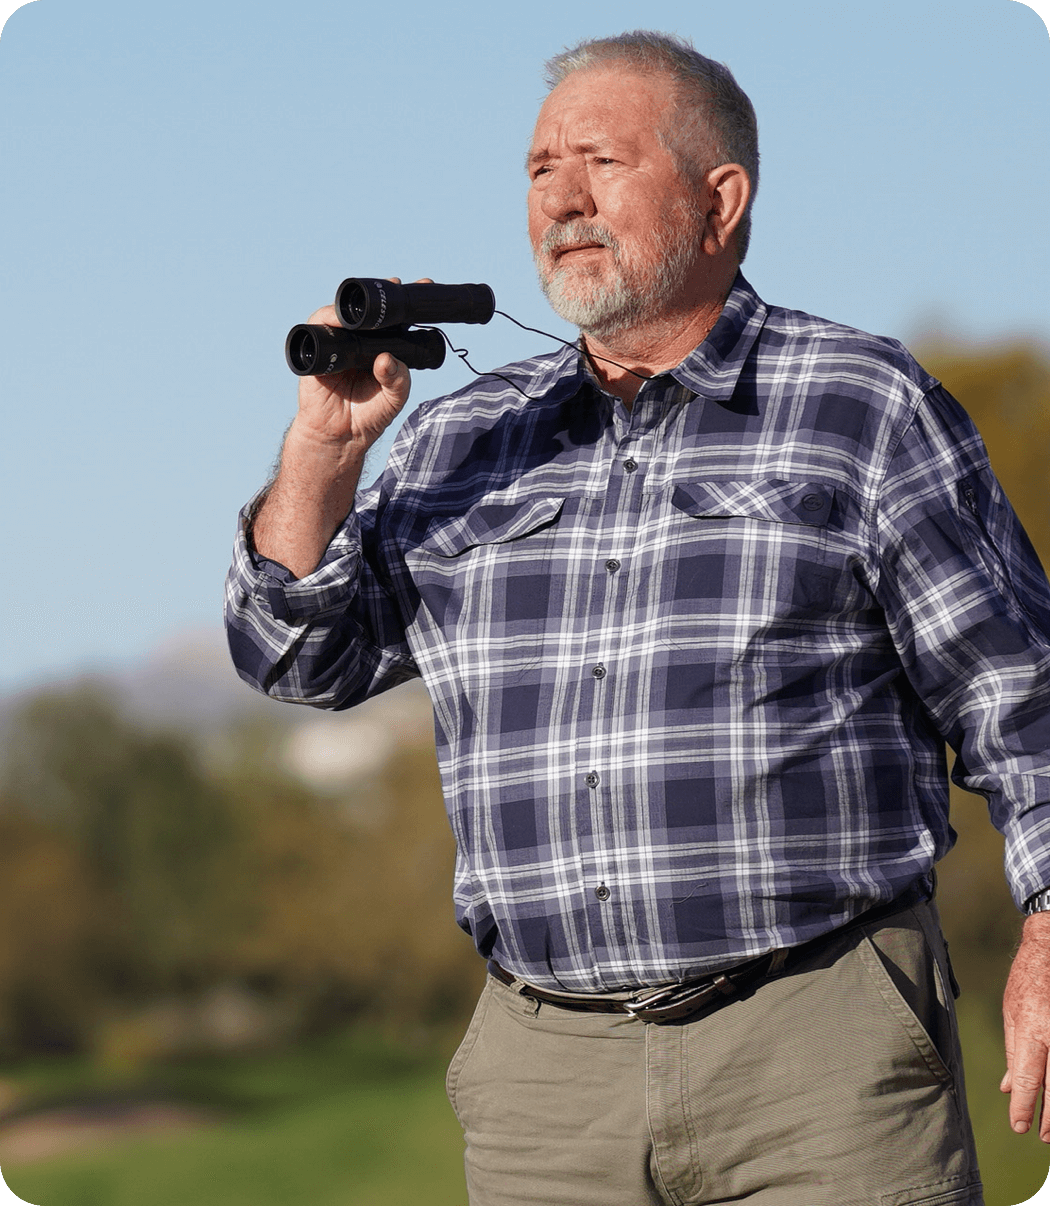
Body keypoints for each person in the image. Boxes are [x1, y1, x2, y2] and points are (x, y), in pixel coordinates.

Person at [225, 30, 1050, 1206]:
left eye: (600, 160)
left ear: (722, 201)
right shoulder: (464, 437)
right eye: (537, 167)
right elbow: (292, 658)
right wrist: (324, 453)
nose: (560, 196)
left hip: (820, 1050)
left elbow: (1022, 696)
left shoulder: (859, 403)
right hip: (544, 1076)